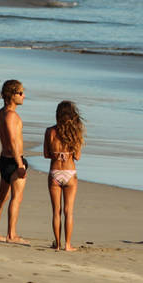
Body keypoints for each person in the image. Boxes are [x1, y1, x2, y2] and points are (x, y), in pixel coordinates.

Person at [0, 79, 29, 244]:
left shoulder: (2, 112)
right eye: (20, 93)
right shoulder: (11, 115)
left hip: (4, 159)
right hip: (13, 160)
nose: (23, 96)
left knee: (2, 197)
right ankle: (11, 235)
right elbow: (13, 141)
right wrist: (20, 164)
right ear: (12, 95)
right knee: (16, 198)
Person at [43, 100, 85, 251]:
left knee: (56, 211)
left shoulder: (50, 131)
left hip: (54, 172)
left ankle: (58, 244)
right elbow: (78, 156)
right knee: (69, 211)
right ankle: (68, 244)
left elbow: (46, 155)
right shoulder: (75, 132)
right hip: (70, 172)